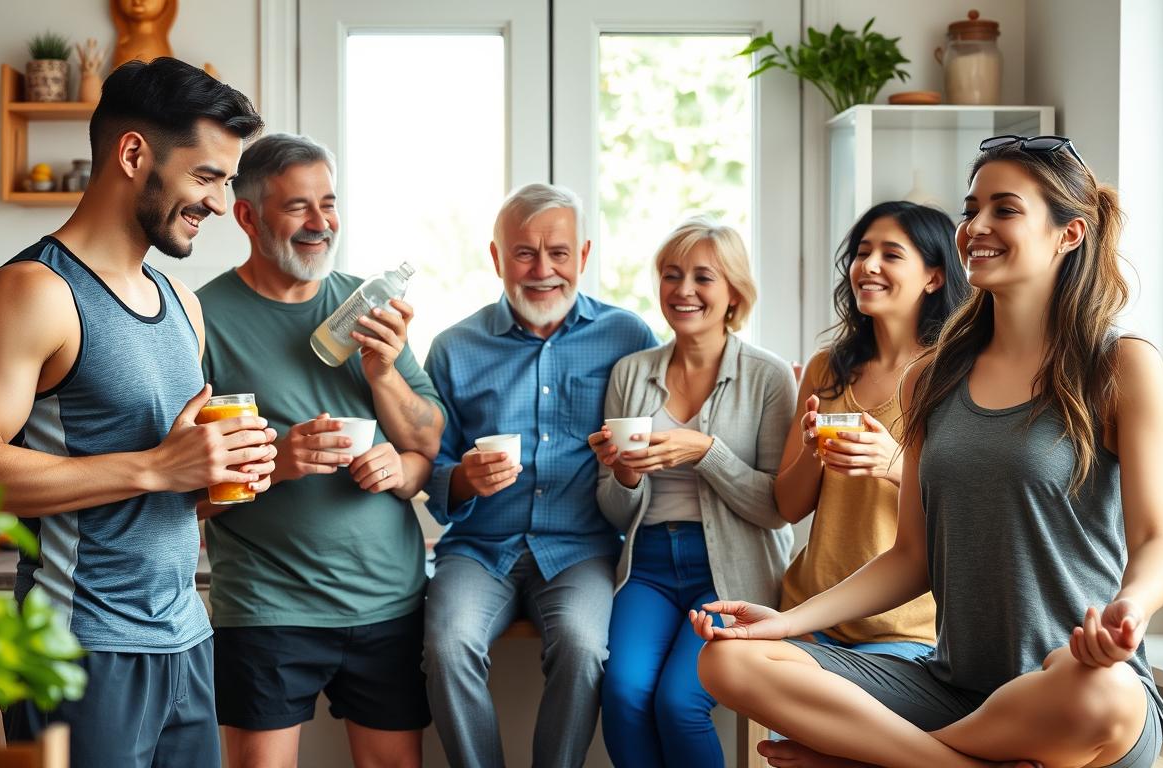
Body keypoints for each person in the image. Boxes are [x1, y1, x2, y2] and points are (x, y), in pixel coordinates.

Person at [692, 135, 1163, 768]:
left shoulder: (1119, 365)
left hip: (1074, 685)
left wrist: (1128, 611)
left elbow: (1156, 540)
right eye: (971, 209)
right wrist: (783, 623)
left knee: (1102, 698)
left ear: (1069, 234)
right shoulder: (933, 376)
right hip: (954, 692)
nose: (975, 226)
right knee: (729, 658)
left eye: (1005, 209)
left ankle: (879, 758)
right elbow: (910, 556)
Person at [0, 58, 271, 767]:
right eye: (206, 176)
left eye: (228, 181)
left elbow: (149, 495)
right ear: (134, 153)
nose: (218, 201)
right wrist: (154, 466)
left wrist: (211, 478)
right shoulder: (33, 293)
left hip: (185, 639)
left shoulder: (184, 307)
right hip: (81, 649)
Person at [196, 133, 444, 768]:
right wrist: (275, 464)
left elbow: (426, 443)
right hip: (266, 606)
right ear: (247, 216)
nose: (320, 224)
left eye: (329, 204)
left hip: (387, 600)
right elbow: (179, 495)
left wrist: (384, 373)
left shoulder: (370, 306)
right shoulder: (200, 321)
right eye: (298, 207)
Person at [421, 183, 657, 767]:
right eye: (525, 253)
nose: (543, 270)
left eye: (559, 253)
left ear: (583, 256)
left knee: (582, 647)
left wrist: (629, 469)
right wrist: (464, 480)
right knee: (446, 646)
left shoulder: (628, 337)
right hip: (478, 548)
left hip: (582, 548)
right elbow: (433, 470)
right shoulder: (454, 347)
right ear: (497, 258)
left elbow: (653, 455)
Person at [588, 217, 795, 768]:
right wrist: (626, 475)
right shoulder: (631, 373)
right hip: (648, 567)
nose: (683, 291)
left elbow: (776, 508)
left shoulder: (769, 377)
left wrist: (706, 451)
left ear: (733, 292)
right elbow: (611, 505)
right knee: (625, 695)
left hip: (730, 570)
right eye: (671, 275)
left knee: (680, 703)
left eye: (703, 277)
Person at [774, 201, 968, 663]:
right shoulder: (827, 367)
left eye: (892, 254)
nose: (869, 265)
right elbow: (788, 507)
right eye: (863, 252)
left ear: (934, 276)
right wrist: (810, 451)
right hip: (810, 614)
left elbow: (972, 504)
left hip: (905, 628)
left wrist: (896, 465)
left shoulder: (956, 374)